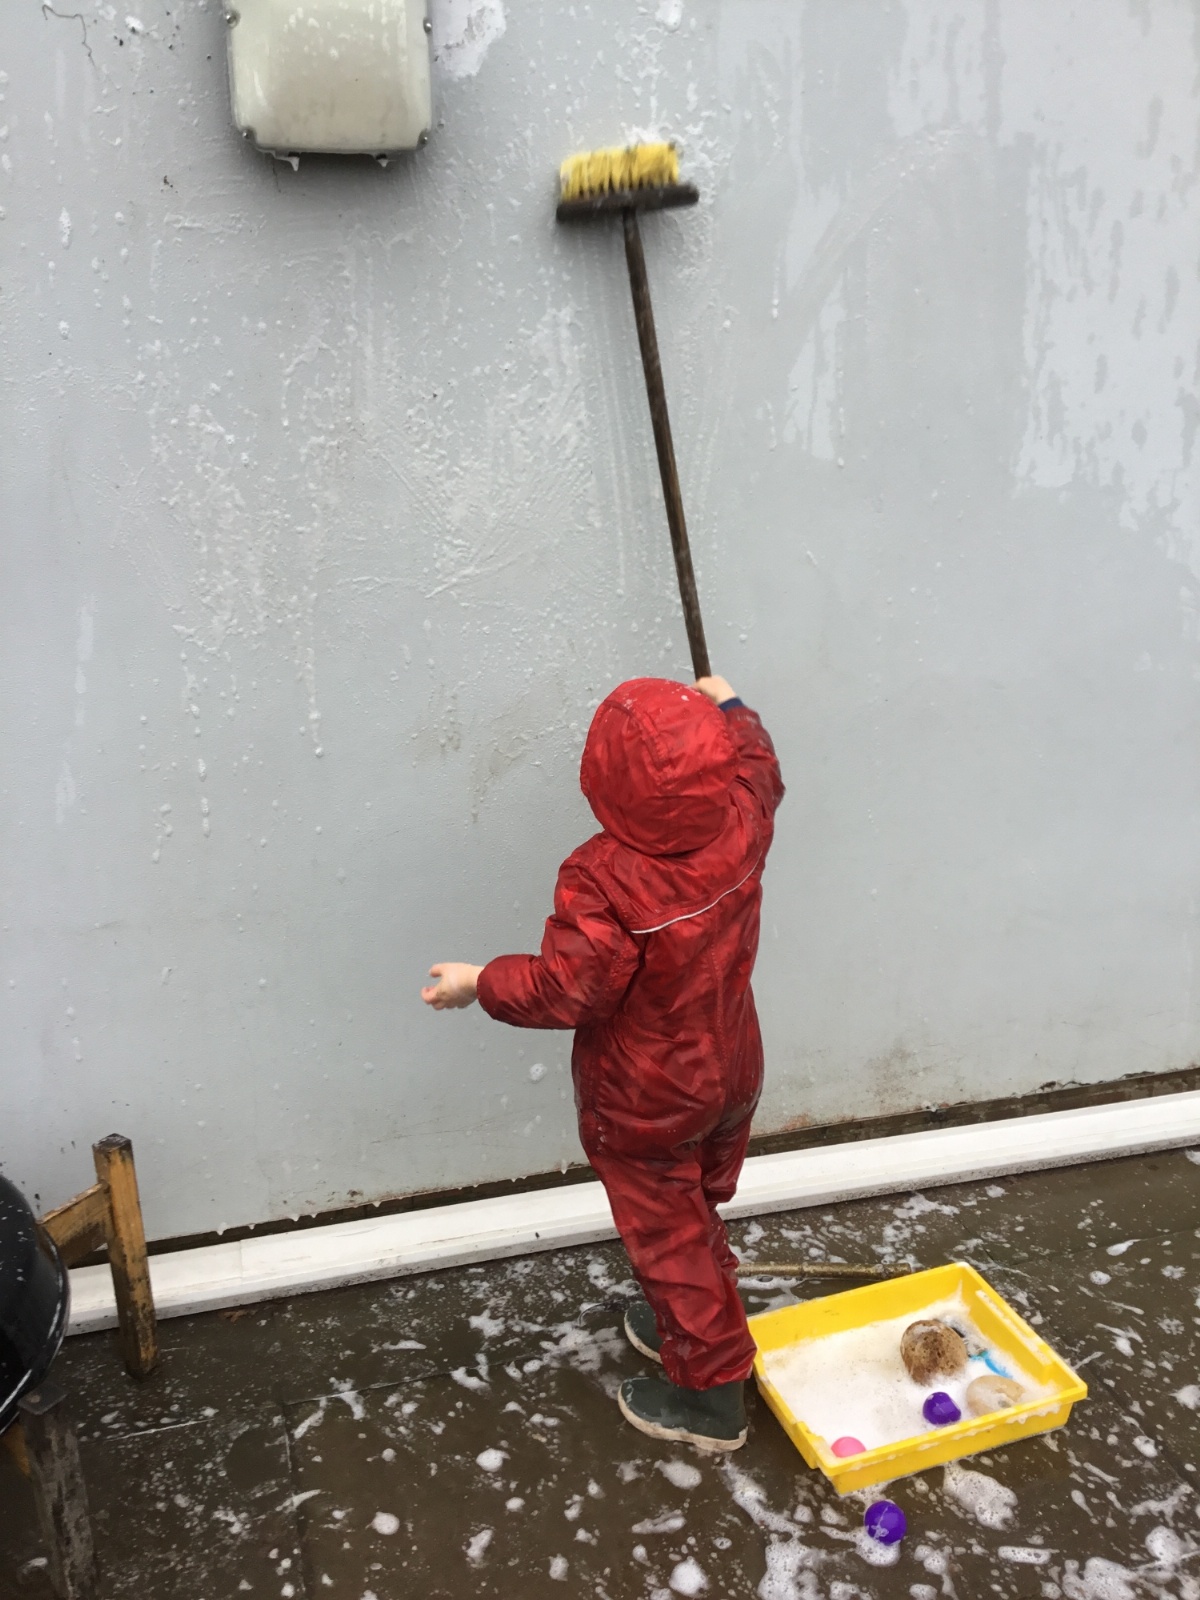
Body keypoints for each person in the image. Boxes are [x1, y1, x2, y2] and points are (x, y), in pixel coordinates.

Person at [421, 674, 784, 1451]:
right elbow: (761, 767)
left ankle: (712, 1394)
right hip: (732, 1066)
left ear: (600, 780)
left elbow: (569, 988)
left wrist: (480, 982)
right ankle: (691, 1317)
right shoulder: (742, 816)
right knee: (691, 1211)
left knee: (670, 1232)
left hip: (649, 1098)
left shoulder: (604, 879)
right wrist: (731, 708)